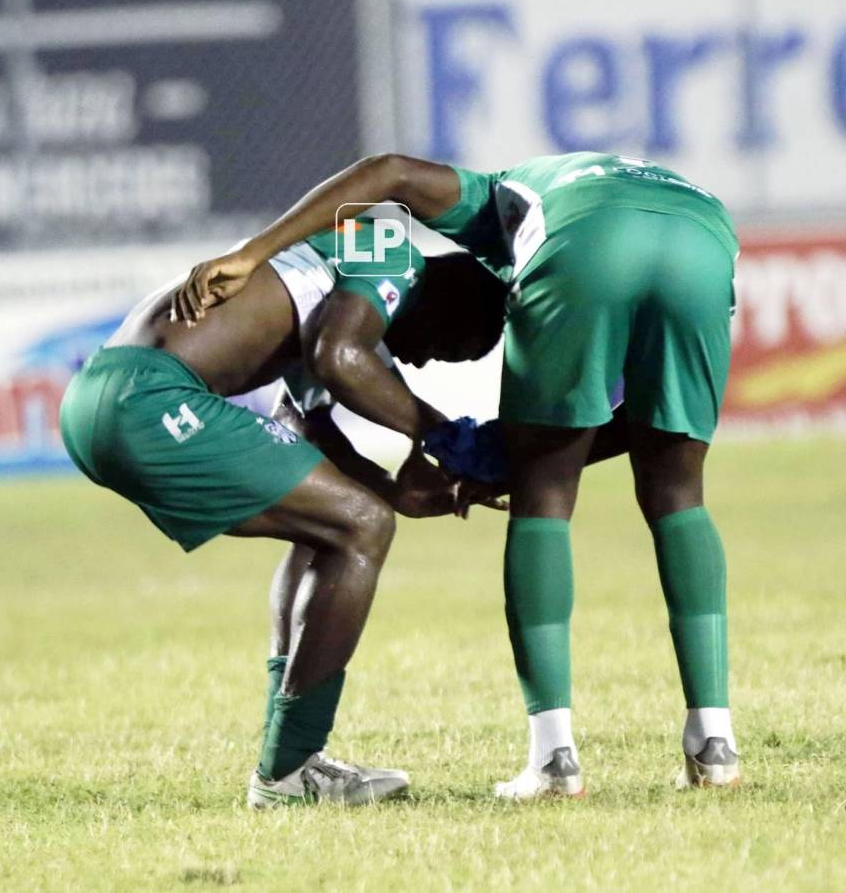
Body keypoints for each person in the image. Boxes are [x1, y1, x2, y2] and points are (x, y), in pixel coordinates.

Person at [173, 151, 741, 798]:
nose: (418, 360)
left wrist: (253, 251)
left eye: (438, 349)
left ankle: (554, 760)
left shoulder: (482, 204)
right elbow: (636, 422)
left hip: (586, 231)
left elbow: (388, 173)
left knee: (545, 499)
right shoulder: (408, 254)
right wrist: (493, 458)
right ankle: (714, 744)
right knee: (678, 491)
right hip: (706, 236)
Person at [59, 222, 508, 808]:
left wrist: (398, 487)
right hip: (147, 401)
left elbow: (307, 430)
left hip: (97, 397)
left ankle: (290, 759)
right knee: (363, 526)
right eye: (435, 347)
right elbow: (339, 357)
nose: (415, 360)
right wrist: (447, 439)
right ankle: (289, 770)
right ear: (440, 304)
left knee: (333, 524)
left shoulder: (331, 283)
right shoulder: (392, 252)